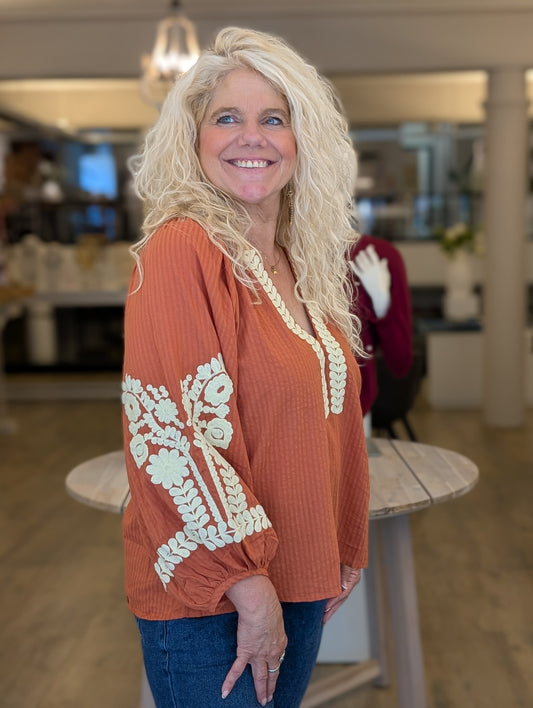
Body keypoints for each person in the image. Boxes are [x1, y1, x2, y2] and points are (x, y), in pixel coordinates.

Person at [121, 26, 370, 708]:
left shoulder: (297, 261)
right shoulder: (182, 249)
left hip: (298, 575)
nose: (251, 137)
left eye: (274, 119)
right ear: (192, 139)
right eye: (226, 118)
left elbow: (325, 419)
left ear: (302, 139)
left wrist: (342, 540)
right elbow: (168, 434)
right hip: (218, 595)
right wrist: (247, 583)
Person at [348, 234, 413, 420]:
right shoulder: (287, 254)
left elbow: (400, 361)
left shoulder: (379, 254)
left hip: (357, 404)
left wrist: (382, 304)